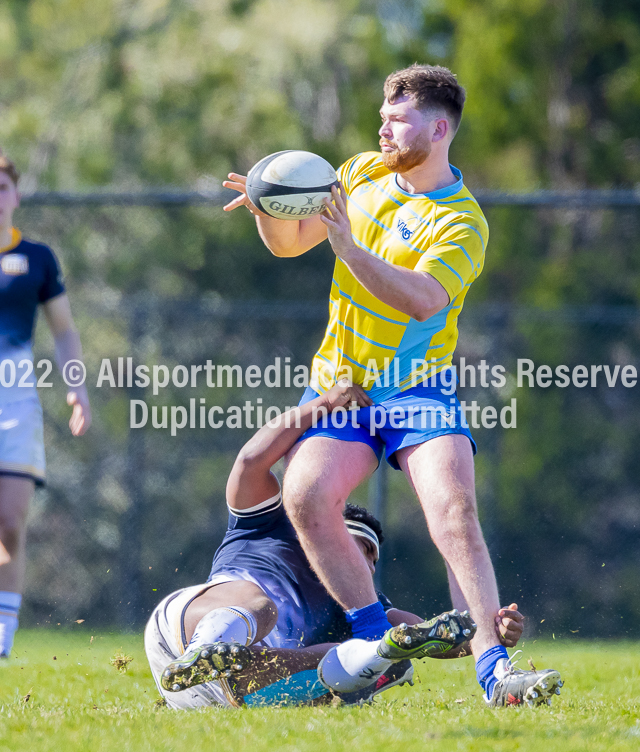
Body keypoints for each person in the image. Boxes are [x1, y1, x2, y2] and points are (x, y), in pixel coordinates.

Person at [222, 65, 562, 706]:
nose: (383, 125)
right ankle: (374, 644)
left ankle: (495, 670)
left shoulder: (463, 223)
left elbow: (424, 300)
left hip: (418, 389)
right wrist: (269, 208)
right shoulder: (354, 173)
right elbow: (289, 245)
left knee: (454, 508)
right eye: (382, 112)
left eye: (398, 116)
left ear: (438, 128)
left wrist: (348, 249)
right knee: (306, 493)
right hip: (342, 386)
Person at [145, 382, 536, 710]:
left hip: (236, 691)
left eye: (371, 556)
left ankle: (231, 665)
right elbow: (250, 461)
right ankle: (209, 648)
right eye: (357, 543)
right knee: (261, 606)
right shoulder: (266, 525)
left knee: (381, 657)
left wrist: (486, 630)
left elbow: (435, 636)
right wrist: (322, 404)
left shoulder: (358, 602)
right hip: (176, 641)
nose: (364, 560)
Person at [0, 151, 91, 658]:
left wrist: (75, 387)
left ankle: (2, 637)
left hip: (14, 402)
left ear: (14, 194)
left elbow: (64, 332)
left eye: (2, 187)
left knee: (10, 521)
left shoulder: (36, 258)